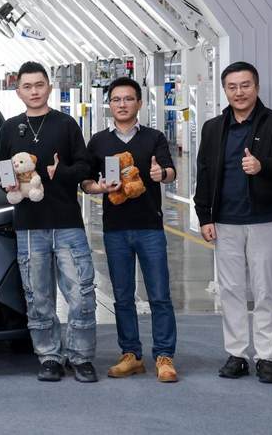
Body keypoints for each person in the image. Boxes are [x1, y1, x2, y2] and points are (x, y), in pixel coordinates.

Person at [0, 61, 97, 383]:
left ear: (49, 87)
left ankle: (80, 357)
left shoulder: (66, 124)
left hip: (67, 224)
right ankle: (49, 355)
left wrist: (60, 173)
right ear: (18, 91)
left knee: (81, 294)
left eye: (39, 85)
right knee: (38, 297)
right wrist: (7, 183)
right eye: (27, 86)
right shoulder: (10, 128)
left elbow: (85, 167)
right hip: (29, 225)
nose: (34, 91)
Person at [194, 61, 272, 384]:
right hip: (225, 221)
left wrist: (261, 166)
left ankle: (266, 357)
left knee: (264, 291)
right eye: (232, 87)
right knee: (231, 290)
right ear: (225, 90)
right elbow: (204, 173)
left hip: (263, 219)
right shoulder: (213, 128)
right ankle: (236, 354)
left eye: (245, 85)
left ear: (257, 87)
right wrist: (204, 216)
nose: (239, 92)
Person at [83, 77, 179, 383]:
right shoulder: (98, 141)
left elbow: (171, 171)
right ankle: (131, 355)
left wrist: (161, 173)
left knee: (159, 295)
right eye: (116, 99)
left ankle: (164, 356)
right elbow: (85, 182)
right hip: (115, 230)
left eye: (128, 99)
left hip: (150, 227)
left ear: (139, 103)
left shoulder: (154, 137)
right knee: (122, 296)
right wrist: (99, 187)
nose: (122, 104)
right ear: (109, 105)